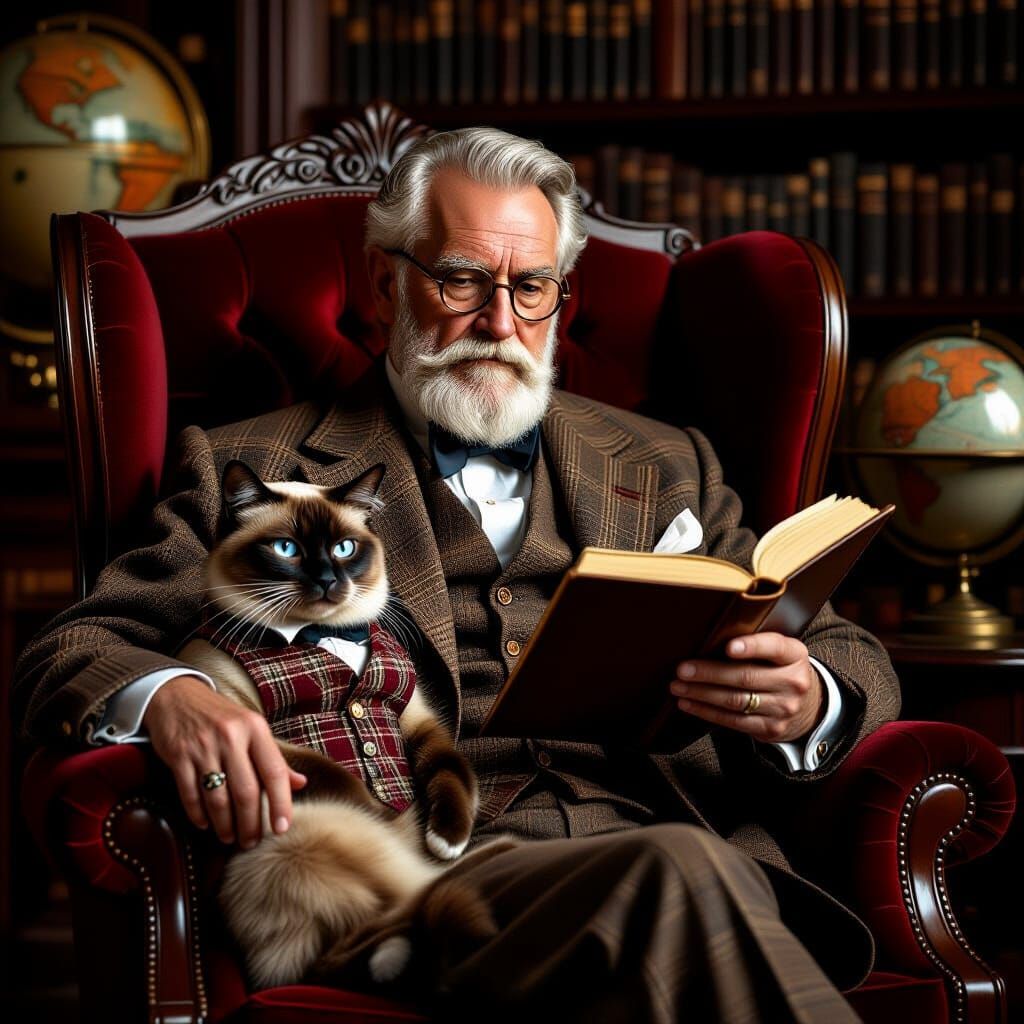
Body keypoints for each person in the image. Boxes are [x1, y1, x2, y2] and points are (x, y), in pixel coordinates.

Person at [15, 127, 899, 1022]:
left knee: (685, 875)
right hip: (429, 878)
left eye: (531, 287)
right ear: (387, 281)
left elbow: (841, 648)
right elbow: (76, 646)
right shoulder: (250, 464)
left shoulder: (669, 463)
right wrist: (170, 696)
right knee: (678, 874)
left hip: (686, 845)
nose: (500, 322)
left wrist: (808, 699)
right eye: (463, 279)